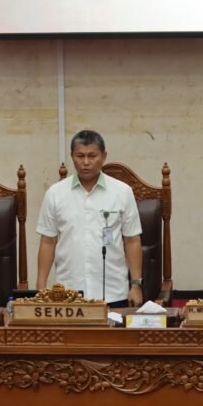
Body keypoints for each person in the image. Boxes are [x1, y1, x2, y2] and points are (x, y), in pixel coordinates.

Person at [36, 130, 144, 307]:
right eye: (80, 156)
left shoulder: (122, 192)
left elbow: (132, 240)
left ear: (104, 156)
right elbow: (48, 241)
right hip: (67, 293)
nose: (86, 162)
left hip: (113, 291)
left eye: (92, 156)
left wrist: (136, 285)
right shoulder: (55, 194)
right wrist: (41, 287)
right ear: (72, 157)